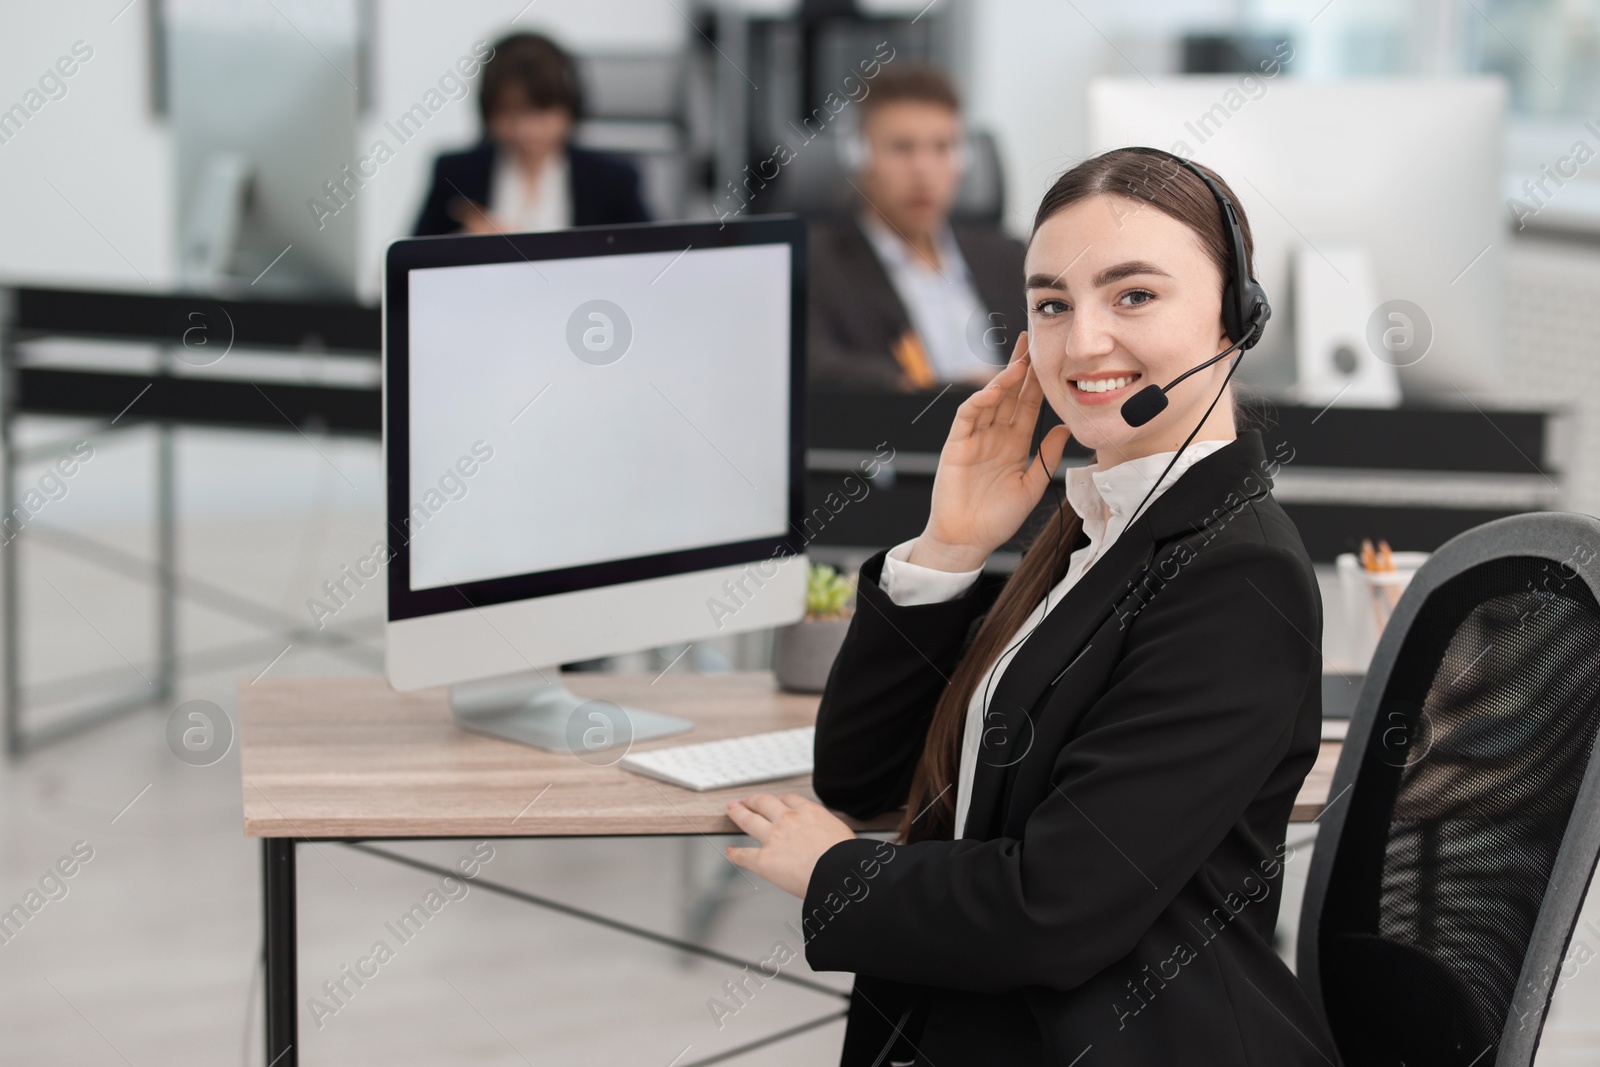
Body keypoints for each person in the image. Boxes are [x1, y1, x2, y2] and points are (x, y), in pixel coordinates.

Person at [723, 147, 1341, 1064]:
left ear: (1235, 318)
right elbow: (867, 778)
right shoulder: (1094, 530)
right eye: (1052, 303)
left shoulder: (1236, 578)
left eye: (1134, 296)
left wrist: (834, 873)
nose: (1082, 342)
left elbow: (1056, 909)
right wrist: (950, 548)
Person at [807, 65, 1026, 391]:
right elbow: (813, 364)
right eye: (902, 148)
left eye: (942, 148)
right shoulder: (818, 262)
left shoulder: (1008, 255)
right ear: (858, 160)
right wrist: (925, 391)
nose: (923, 170)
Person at [412, 32, 650, 237]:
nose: (527, 130)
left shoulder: (613, 180)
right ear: (489, 113)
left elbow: (653, 258)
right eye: (510, 113)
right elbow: (407, 268)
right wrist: (461, 246)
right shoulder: (455, 175)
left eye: (542, 112)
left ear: (571, 108)